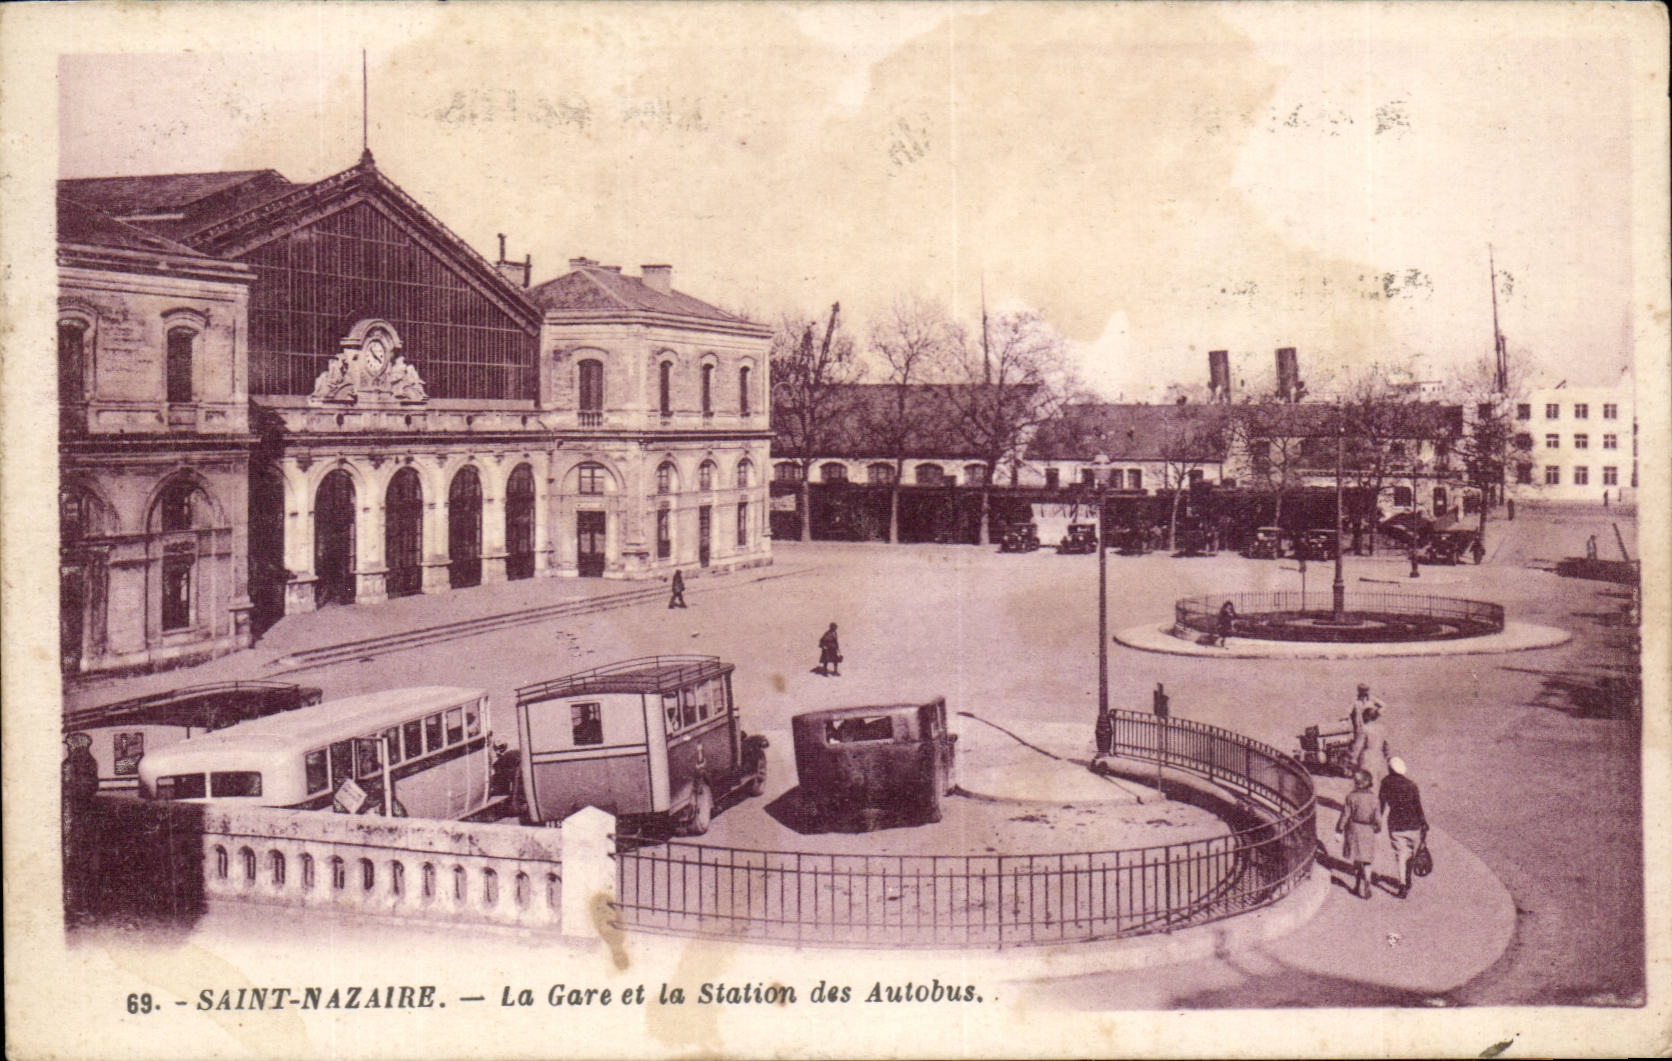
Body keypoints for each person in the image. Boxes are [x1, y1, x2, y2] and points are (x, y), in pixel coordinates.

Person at [1378, 757, 1429, 899]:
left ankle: (1402, 884)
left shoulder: (1386, 782)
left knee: (1400, 854)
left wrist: (1377, 821)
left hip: (1396, 824)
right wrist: (1423, 822)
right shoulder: (1411, 785)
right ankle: (1408, 878)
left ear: (1390, 769)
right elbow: (1418, 806)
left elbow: (1381, 804)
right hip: (1413, 824)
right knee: (1411, 854)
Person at [1335, 768, 1381, 898]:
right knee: (1367, 859)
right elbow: (1378, 819)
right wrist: (1377, 828)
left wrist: (1339, 829)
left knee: (1356, 858)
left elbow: (1345, 815)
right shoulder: (1374, 799)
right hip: (1368, 829)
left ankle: (1357, 885)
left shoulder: (1351, 797)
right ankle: (1367, 881)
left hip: (1354, 829)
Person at [1351, 704, 1391, 788]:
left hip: (1367, 756)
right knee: (1377, 780)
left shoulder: (1365, 728)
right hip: (1379, 756)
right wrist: (1386, 756)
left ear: (1366, 717)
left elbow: (1359, 744)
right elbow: (1386, 744)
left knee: (1365, 780)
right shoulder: (1382, 728)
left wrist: (1353, 758)